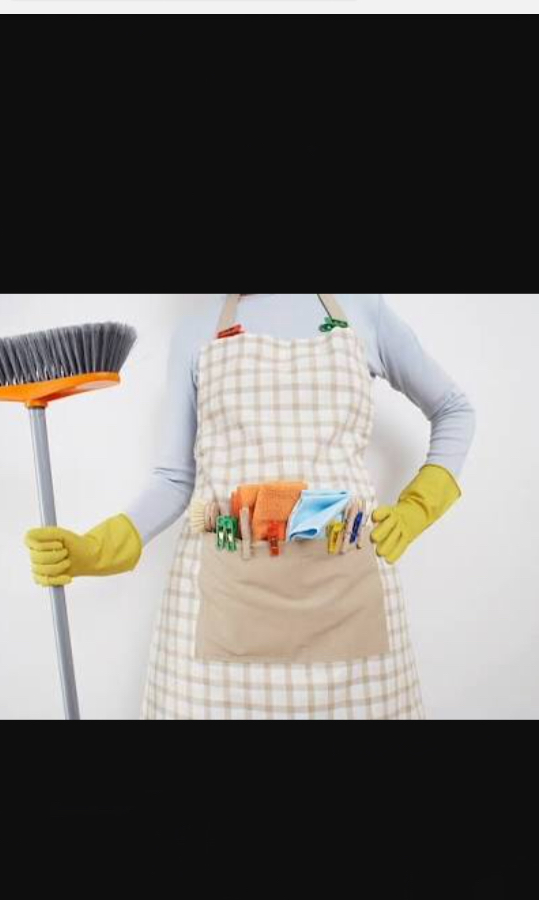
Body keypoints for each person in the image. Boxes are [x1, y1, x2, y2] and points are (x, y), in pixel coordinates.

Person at [25, 294, 476, 721]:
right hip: (224, 611)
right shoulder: (196, 330)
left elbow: (453, 408)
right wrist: (103, 546)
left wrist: (419, 507)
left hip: (348, 603)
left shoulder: (362, 309)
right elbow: (174, 479)